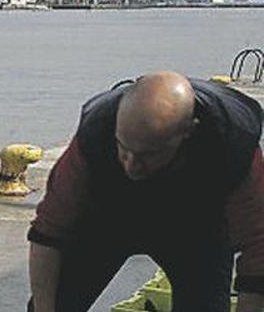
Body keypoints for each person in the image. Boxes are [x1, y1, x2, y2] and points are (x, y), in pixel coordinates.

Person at [28, 72, 264, 312]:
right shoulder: (97, 130)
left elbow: (257, 251)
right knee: (54, 302)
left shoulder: (232, 142)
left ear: (188, 132)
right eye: (123, 148)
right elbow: (48, 231)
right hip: (106, 218)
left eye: (147, 154)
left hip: (196, 229)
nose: (131, 164)